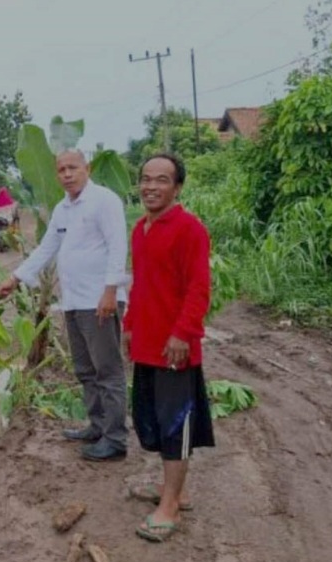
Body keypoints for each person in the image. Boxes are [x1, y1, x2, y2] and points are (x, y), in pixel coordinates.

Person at [0, 149, 130, 461]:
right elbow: (47, 248)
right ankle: (97, 425)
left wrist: (110, 290)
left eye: (73, 168)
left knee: (107, 370)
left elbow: (118, 245)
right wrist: (15, 278)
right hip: (74, 301)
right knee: (85, 369)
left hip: (100, 300)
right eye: (61, 169)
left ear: (87, 168)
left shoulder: (104, 201)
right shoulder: (63, 208)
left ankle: (116, 439)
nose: (67, 174)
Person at [124, 153, 215, 542]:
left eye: (162, 180)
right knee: (156, 421)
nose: (151, 186)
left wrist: (183, 333)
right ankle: (176, 489)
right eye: (146, 179)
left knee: (176, 425)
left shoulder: (190, 229)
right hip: (145, 343)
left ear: (177, 188)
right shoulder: (140, 229)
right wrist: (128, 325)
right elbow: (141, 285)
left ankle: (171, 506)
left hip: (175, 348)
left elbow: (199, 288)